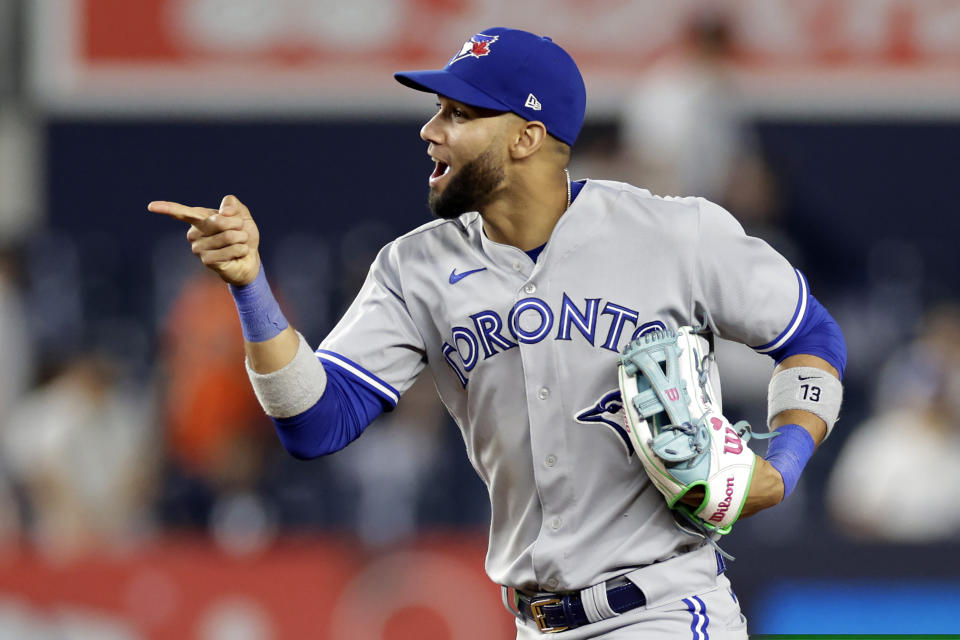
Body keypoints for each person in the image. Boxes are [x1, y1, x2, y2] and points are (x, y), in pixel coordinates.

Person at [149, 27, 846, 639]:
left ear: (526, 136)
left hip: (662, 610)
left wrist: (781, 466)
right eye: (436, 109)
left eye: (458, 112)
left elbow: (811, 334)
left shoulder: (673, 233)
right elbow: (314, 423)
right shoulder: (413, 268)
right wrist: (251, 289)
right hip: (532, 622)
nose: (431, 129)